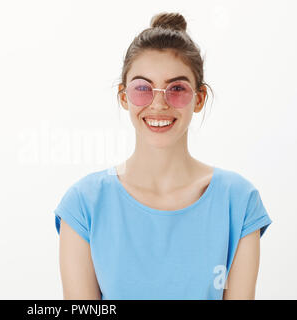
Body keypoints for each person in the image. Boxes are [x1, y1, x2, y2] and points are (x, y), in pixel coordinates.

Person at [53, 12, 272, 300]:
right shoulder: (84, 205)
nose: (158, 104)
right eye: (142, 88)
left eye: (177, 89)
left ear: (199, 98)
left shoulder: (239, 202)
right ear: (124, 97)